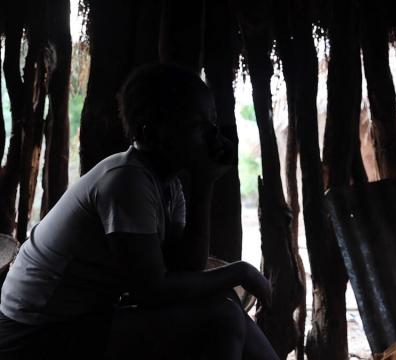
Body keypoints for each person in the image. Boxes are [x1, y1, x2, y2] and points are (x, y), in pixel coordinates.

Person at [0, 63, 280, 360]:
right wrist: (239, 271)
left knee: (225, 304)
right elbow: (151, 291)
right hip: (32, 338)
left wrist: (204, 184)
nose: (212, 134)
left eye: (212, 122)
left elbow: (187, 267)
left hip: (75, 324)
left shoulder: (166, 186)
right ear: (152, 133)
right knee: (222, 320)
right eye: (198, 125)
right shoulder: (127, 180)